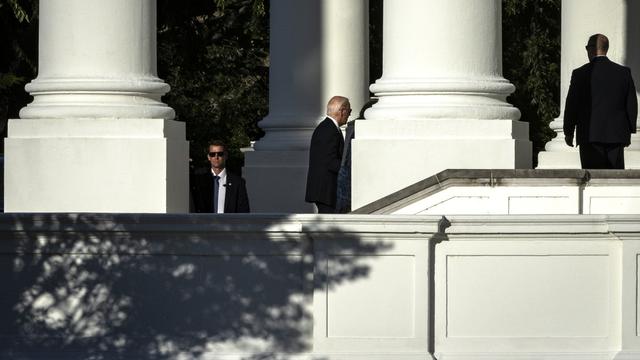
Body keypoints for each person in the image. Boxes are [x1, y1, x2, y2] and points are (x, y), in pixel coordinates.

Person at [564, 33, 638, 169]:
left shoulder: (580, 74)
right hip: (616, 136)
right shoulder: (623, 73)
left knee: (593, 180)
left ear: (592, 49)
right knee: (615, 180)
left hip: (589, 136)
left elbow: (572, 105)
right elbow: (631, 104)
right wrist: (629, 131)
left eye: (587, 48)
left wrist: (568, 132)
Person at [305, 96, 350, 213]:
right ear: (342, 111)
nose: (349, 115)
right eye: (349, 111)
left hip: (324, 190)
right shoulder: (329, 130)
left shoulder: (327, 127)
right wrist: (348, 169)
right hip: (326, 191)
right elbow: (330, 161)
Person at [192, 140, 250, 213]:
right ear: (208, 157)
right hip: (204, 223)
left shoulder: (238, 182)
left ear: (226, 156)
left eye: (220, 154)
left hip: (228, 223)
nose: (216, 157)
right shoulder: (199, 181)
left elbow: (243, 210)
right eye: (212, 154)